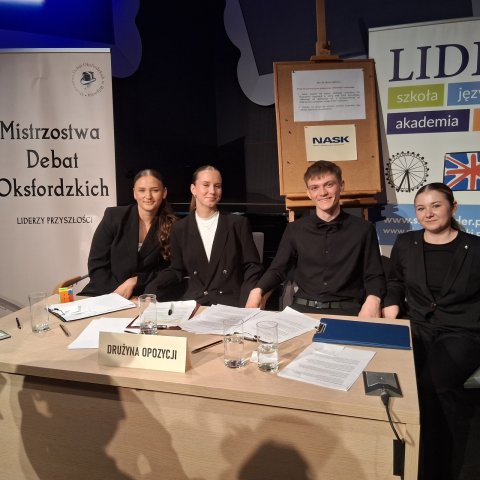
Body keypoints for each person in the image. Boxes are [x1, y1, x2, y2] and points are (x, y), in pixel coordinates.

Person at [383, 182, 480, 480]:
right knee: (389, 379)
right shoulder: (405, 242)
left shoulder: (476, 247)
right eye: (421, 208)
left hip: (462, 332)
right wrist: (391, 306)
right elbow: (395, 282)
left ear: (453, 207)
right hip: (417, 327)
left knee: (432, 386)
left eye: (436, 206)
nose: (428, 213)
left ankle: (436, 467)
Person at [246, 160, 385, 317]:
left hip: (348, 310)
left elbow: (374, 274)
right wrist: (257, 290)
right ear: (309, 193)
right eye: (315, 188)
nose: (322, 192)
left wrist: (373, 299)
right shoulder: (295, 229)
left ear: (342, 186)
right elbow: (278, 269)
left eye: (329, 185)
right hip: (302, 309)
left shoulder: (363, 229)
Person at [145, 165, 263, 307]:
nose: (212, 191)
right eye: (206, 185)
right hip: (196, 302)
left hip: (230, 303)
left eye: (217, 186)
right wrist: (151, 290)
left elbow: (252, 266)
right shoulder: (179, 228)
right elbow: (176, 270)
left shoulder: (238, 224)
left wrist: (248, 299)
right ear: (193, 189)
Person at [80, 169, 177, 299]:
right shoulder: (113, 217)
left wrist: (136, 281)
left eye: (154, 190)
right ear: (134, 193)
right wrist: (118, 296)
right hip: (104, 293)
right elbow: (97, 266)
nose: (148, 196)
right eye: (142, 190)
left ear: (164, 193)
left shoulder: (174, 226)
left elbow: (171, 272)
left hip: (145, 297)